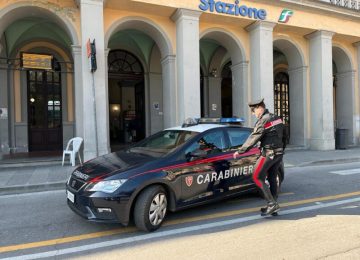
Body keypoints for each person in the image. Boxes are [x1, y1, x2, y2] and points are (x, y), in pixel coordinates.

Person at [233, 98, 284, 216]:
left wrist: (240, 151)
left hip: (269, 153)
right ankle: (274, 205)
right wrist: (281, 149)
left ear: (259, 108)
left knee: (256, 176)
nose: (253, 114)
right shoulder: (276, 117)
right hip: (278, 153)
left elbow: (254, 137)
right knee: (272, 177)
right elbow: (284, 136)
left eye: (253, 111)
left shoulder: (264, 120)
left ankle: (272, 204)